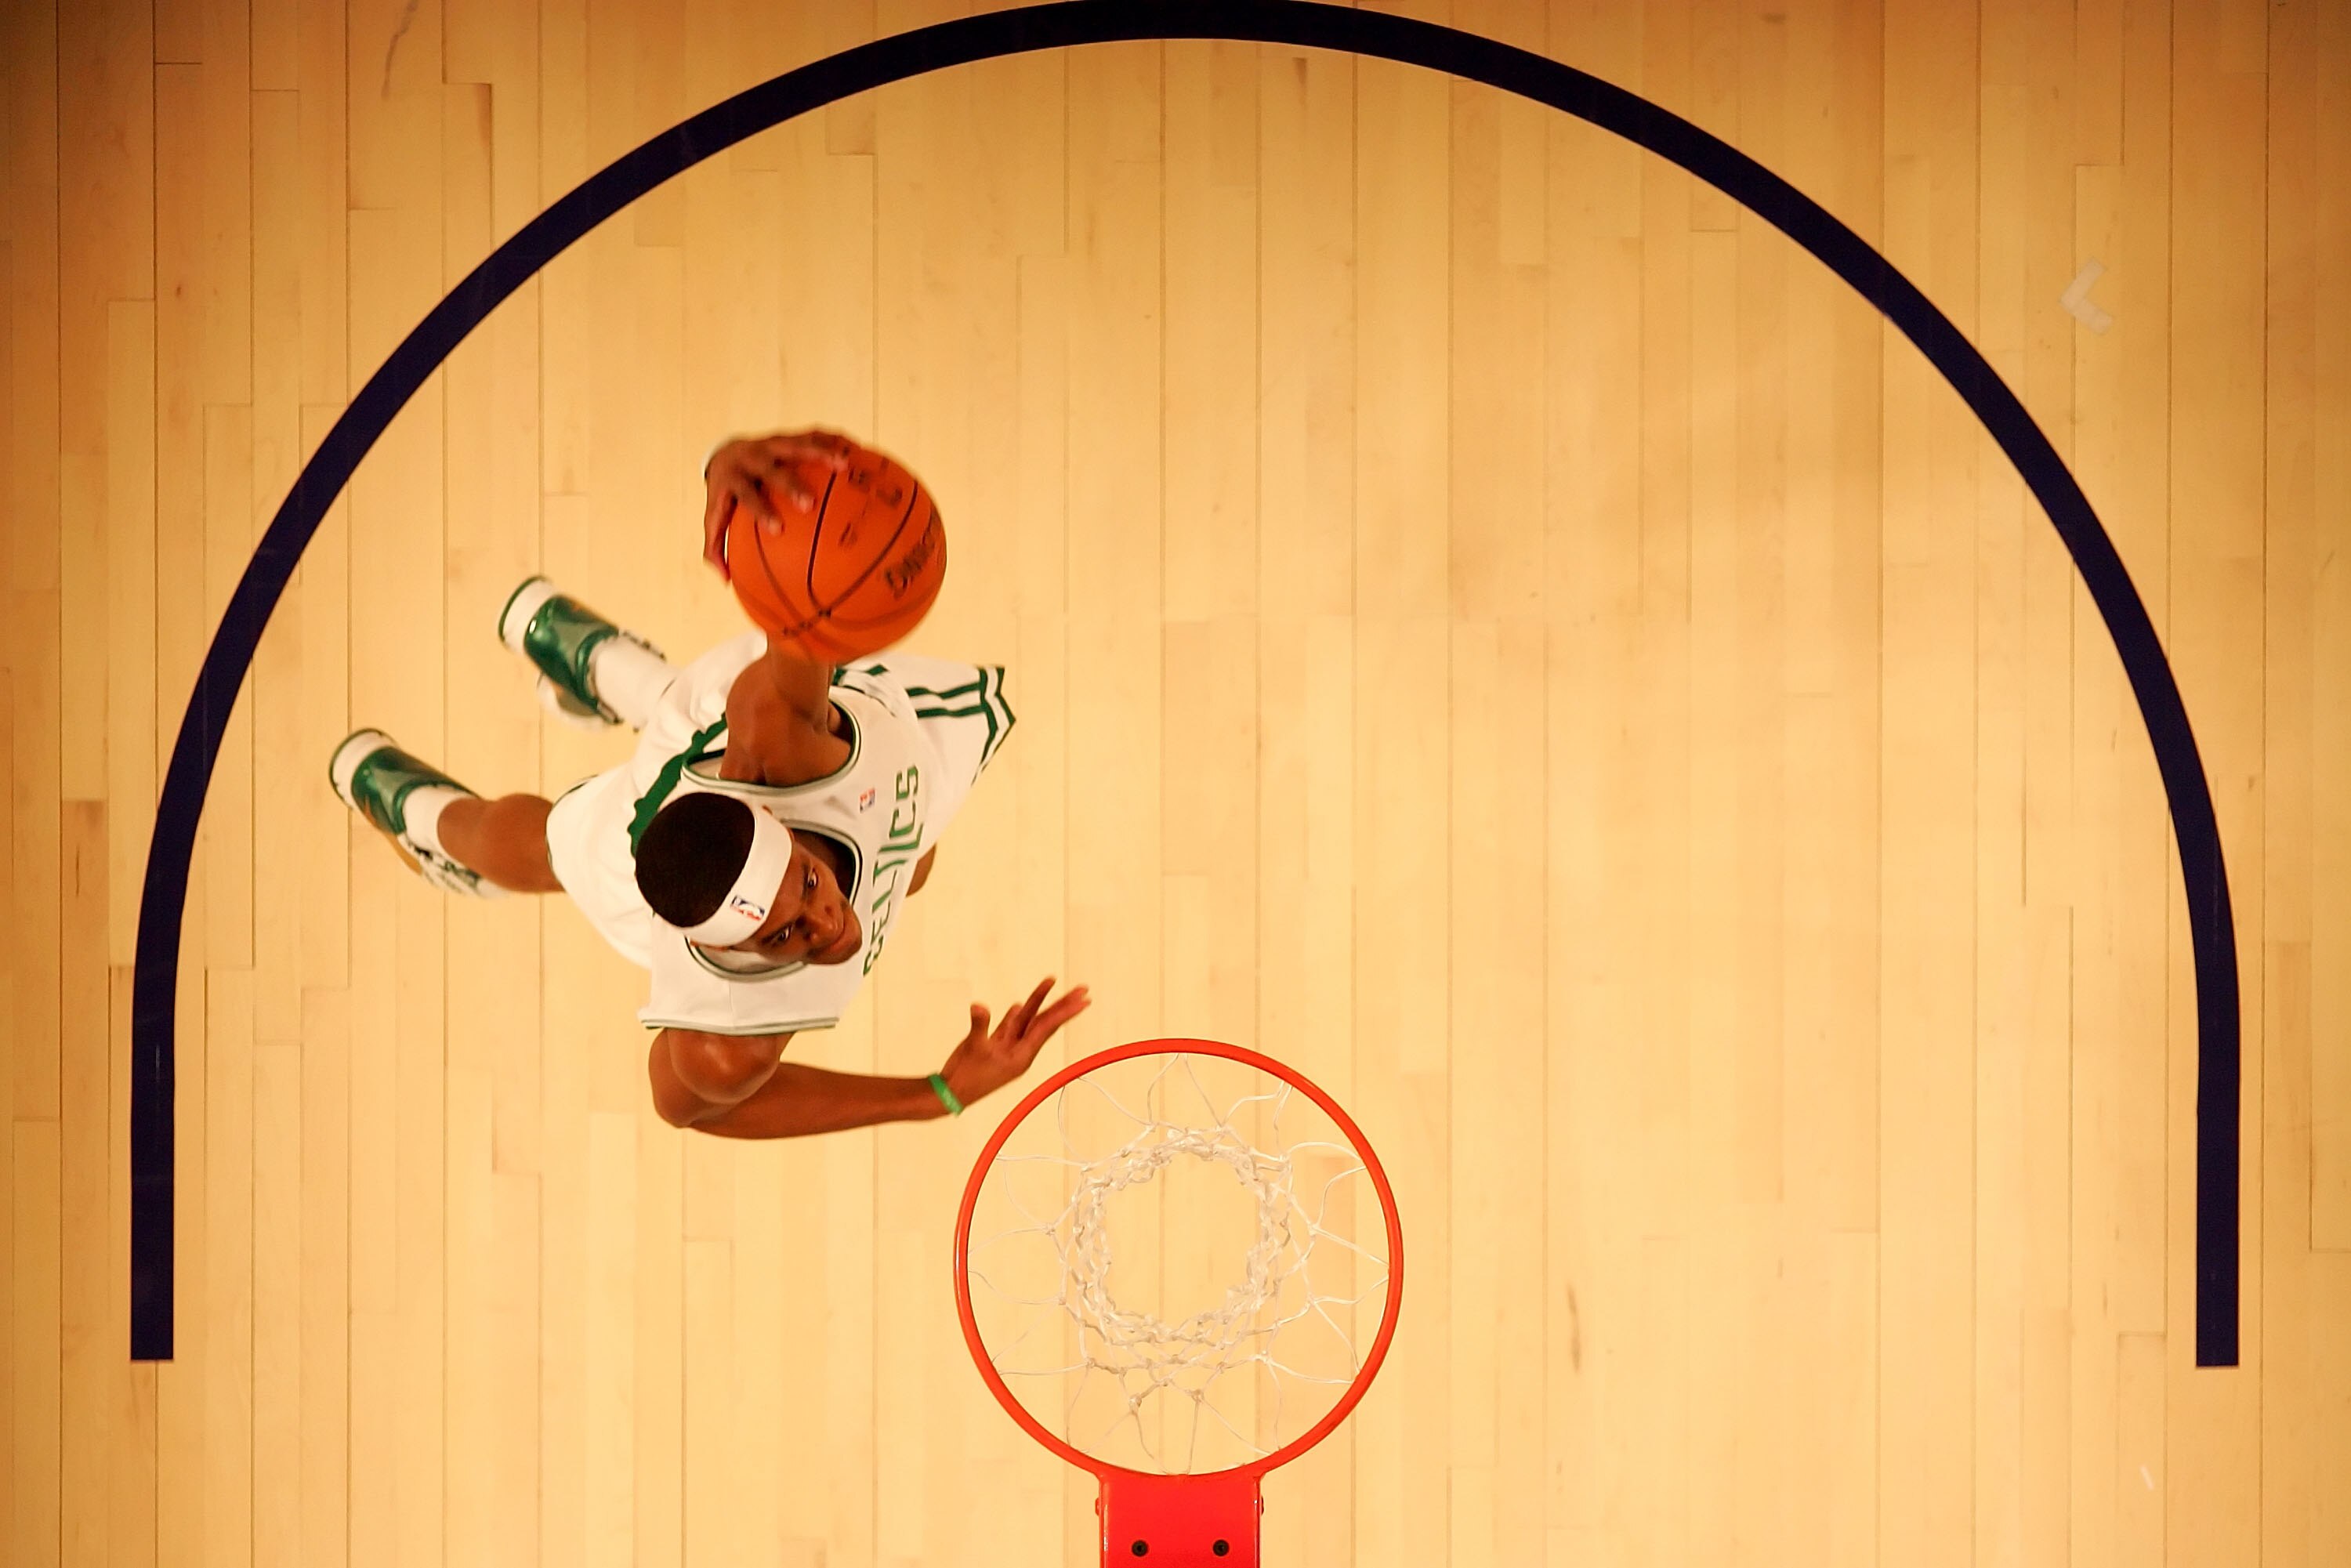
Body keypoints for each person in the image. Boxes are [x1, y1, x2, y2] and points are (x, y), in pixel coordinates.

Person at [328, 429, 1089, 1138]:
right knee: (555, 844)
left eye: (809, 884)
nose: (827, 925)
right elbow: (693, 1110)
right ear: (723, 951)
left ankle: (561, 714)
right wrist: (939, 1096)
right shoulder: (725, 1037)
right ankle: (425, 813)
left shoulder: (780, 732)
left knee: (558, 840)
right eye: (784, 936)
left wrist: (730, 478)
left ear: (786, 830)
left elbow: (802, 597)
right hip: (644, 851)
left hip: (715, 729)